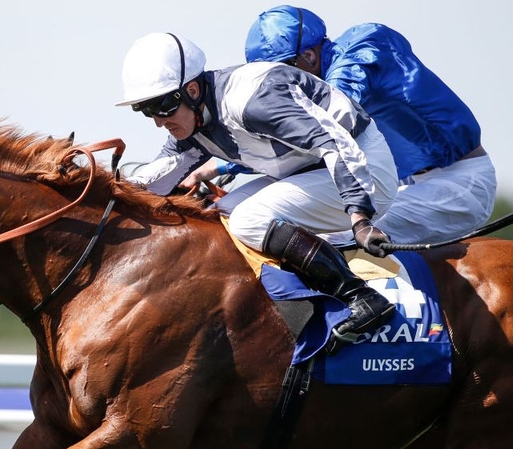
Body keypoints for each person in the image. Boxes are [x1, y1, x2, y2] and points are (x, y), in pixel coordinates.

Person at [116, 32, 400, 349]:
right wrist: (103, 186)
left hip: (363, 169)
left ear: (192, 90)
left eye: (162, 106)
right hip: (312, 170)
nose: (158, 122)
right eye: (146, 110)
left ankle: (361, 298)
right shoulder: (194, 122)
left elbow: (334, 145)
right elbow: (155, 179)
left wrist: (360, 217)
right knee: (220, 214)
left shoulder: (254, 103)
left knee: (249, 219)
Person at [244, 6, 497, 244]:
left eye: (280, 75)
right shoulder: (329, 67)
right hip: (409, 186)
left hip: (460, 183)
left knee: (336, 240)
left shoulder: (363, 49)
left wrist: (226, 165)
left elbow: (326, 118)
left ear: (308, 56)